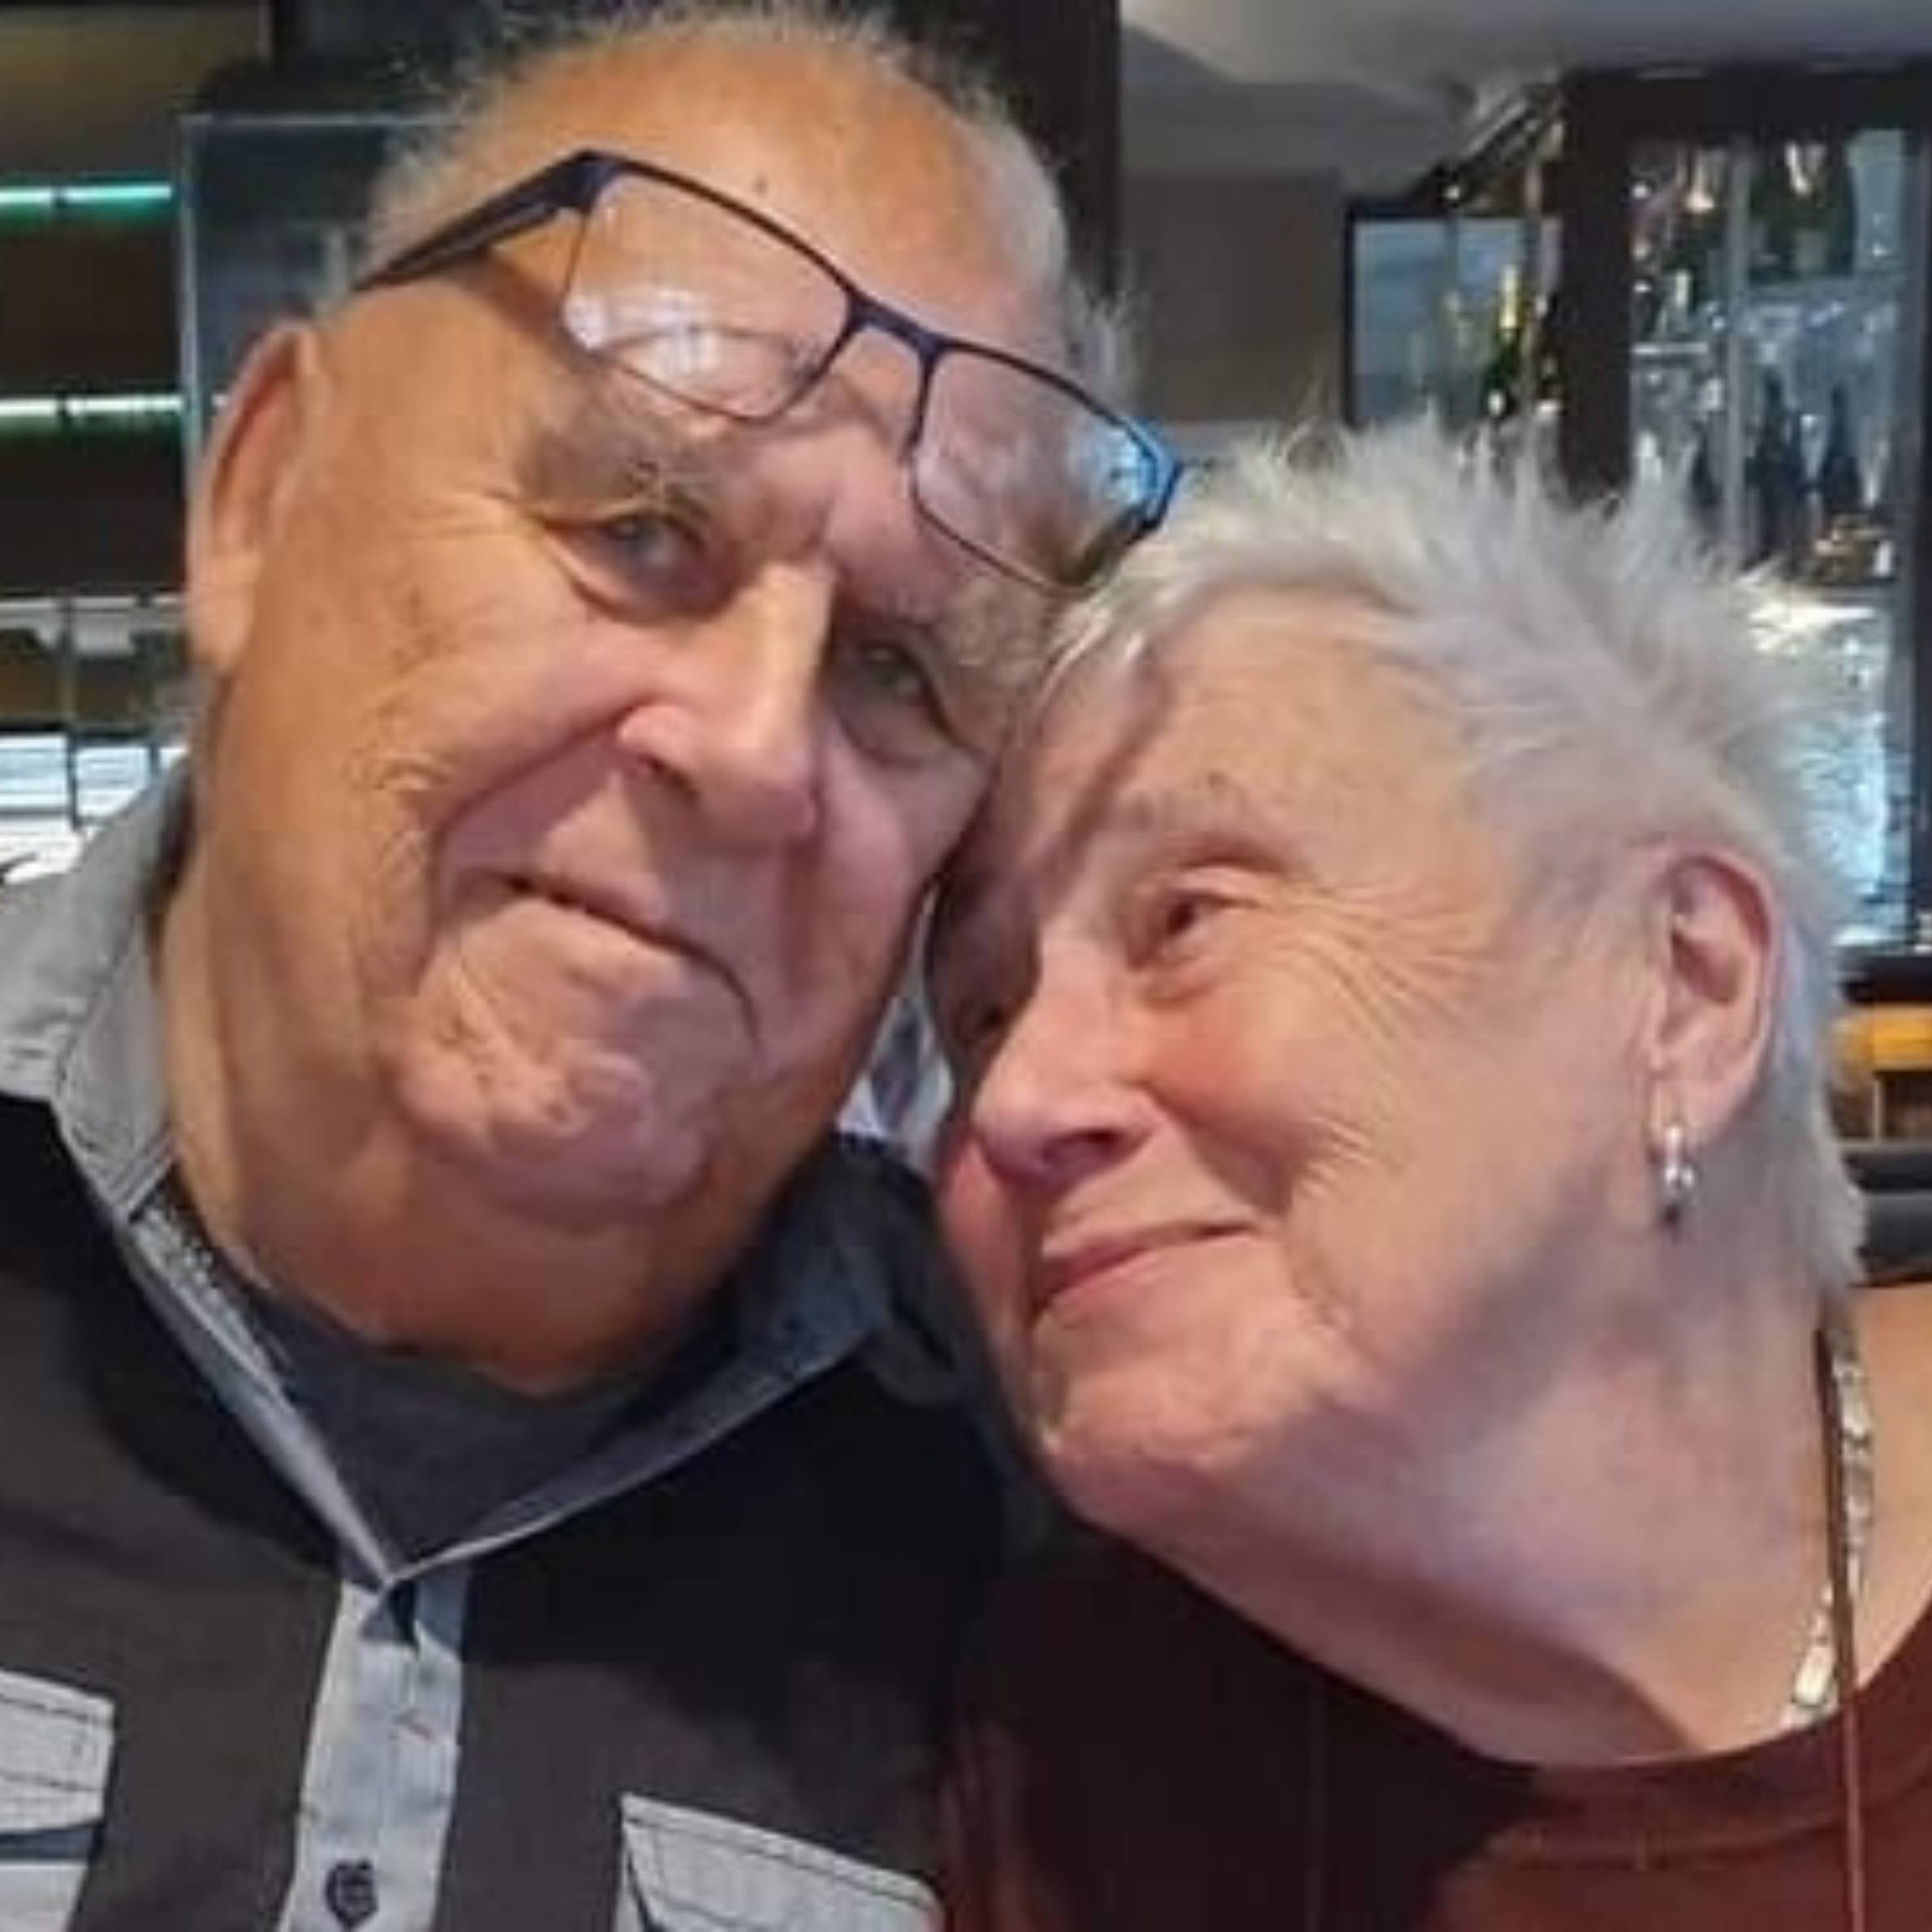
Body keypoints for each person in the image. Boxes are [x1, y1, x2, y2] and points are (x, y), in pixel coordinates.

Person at [0, 7, 1176, 1927]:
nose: (751, 746)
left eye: (895, 666)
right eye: (638, 529)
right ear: (262, 496)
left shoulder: (1044, 1532)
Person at [928, 425, 1932, 1931]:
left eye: (1185, 916)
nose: (1018, 1099)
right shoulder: (1048, 1780)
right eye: (979, 1015)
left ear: (1682, 982)